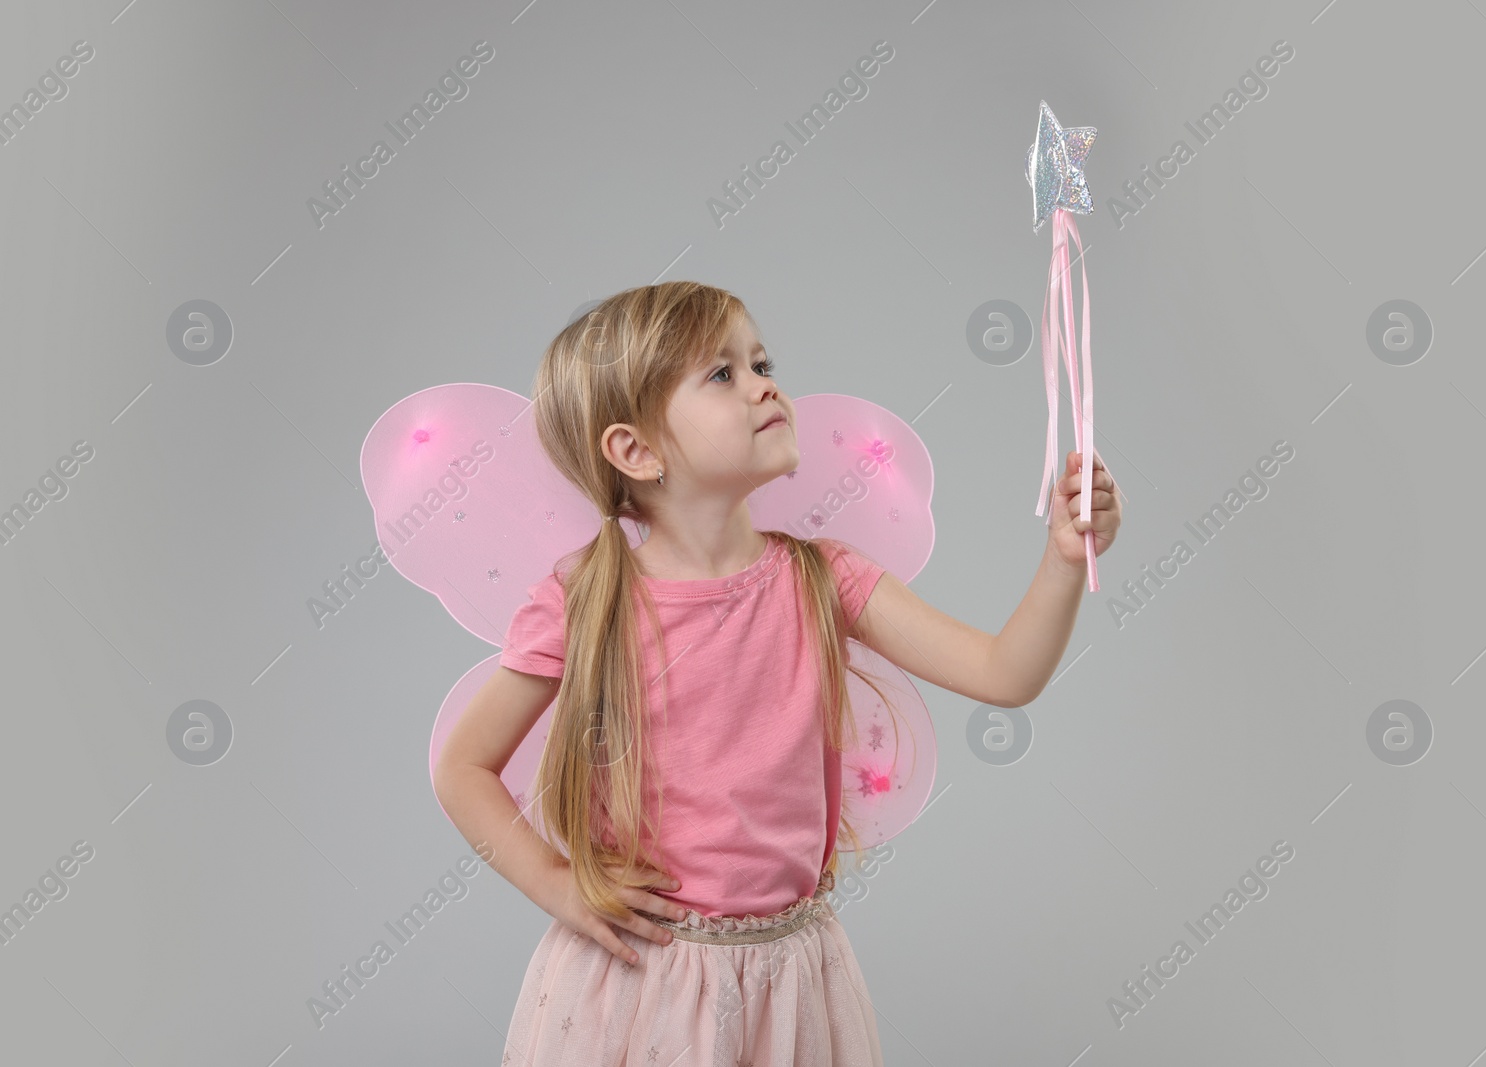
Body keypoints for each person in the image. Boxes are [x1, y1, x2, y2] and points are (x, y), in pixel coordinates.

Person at [433, 281, 1122, 1065]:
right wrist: (559, 886)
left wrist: (1065, 560)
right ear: (636, 449)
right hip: (641, 982)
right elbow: (463, 766)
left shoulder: (823, 578)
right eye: (722, 374)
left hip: (793, 979)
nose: (766, 384)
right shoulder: (585, 601)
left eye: (760, 361)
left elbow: (1004, 673)